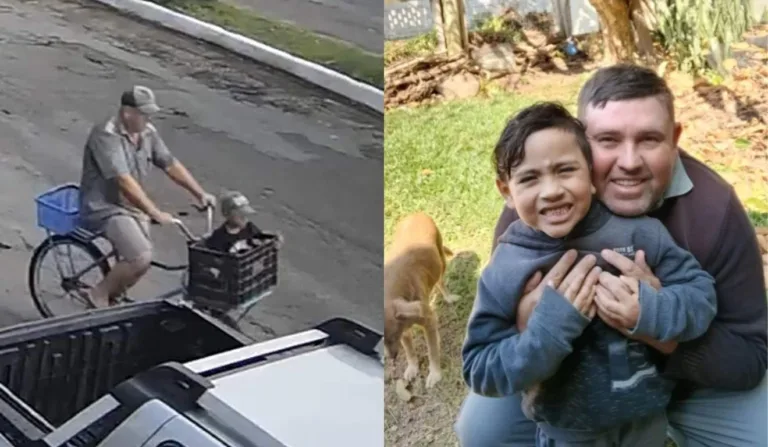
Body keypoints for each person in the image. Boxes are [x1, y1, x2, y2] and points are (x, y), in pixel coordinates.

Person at [455, 64, 767, 447]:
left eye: (650, 139)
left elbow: (750, 357)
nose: (630, 161)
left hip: (680, 378)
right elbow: (489, 349)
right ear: (581, 145)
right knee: (482, 432)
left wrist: (657, 325)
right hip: (562, 388)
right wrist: (528, 324)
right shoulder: (534, 216)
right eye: (608, 140)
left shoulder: (713, 210)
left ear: (675, 139)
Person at [78, 85, 216, 307]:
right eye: (144, 113)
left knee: (141, 260)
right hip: (104, 208)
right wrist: (154, 212)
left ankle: (114, 293)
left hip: (131, 206)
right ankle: (98, 294)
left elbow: (169, 164)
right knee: (140, 256)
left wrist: (199, 193)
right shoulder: (106, 135)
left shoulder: (147, 132)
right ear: (127, 112)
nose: (148, 118)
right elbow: (123, 180)